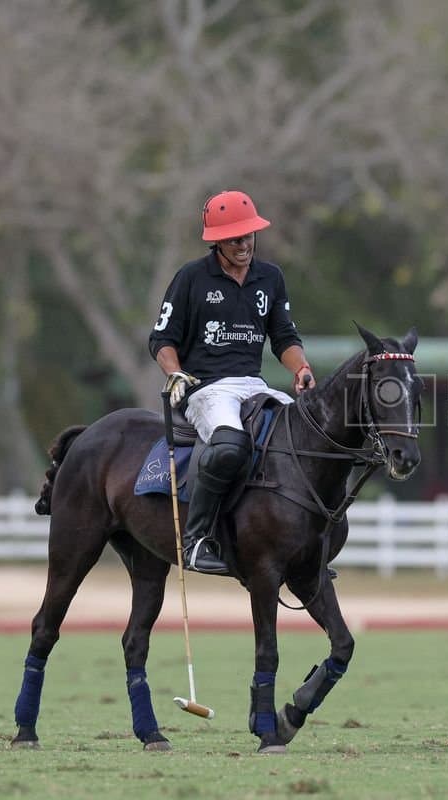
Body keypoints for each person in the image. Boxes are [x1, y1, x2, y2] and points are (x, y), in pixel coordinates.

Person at [149, 189, 315, 575]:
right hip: (206, 387)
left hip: (253, 385)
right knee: (229, 447)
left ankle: (307, 539)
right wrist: (173, 372)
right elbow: (162, 339)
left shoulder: (270, 277)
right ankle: (196, 540)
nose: (244, 244)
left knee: (307, 437)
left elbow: (285, 338)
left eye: (249, 236)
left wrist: (300, 369)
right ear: (217, 242)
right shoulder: (191, 278)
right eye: (234, 238)